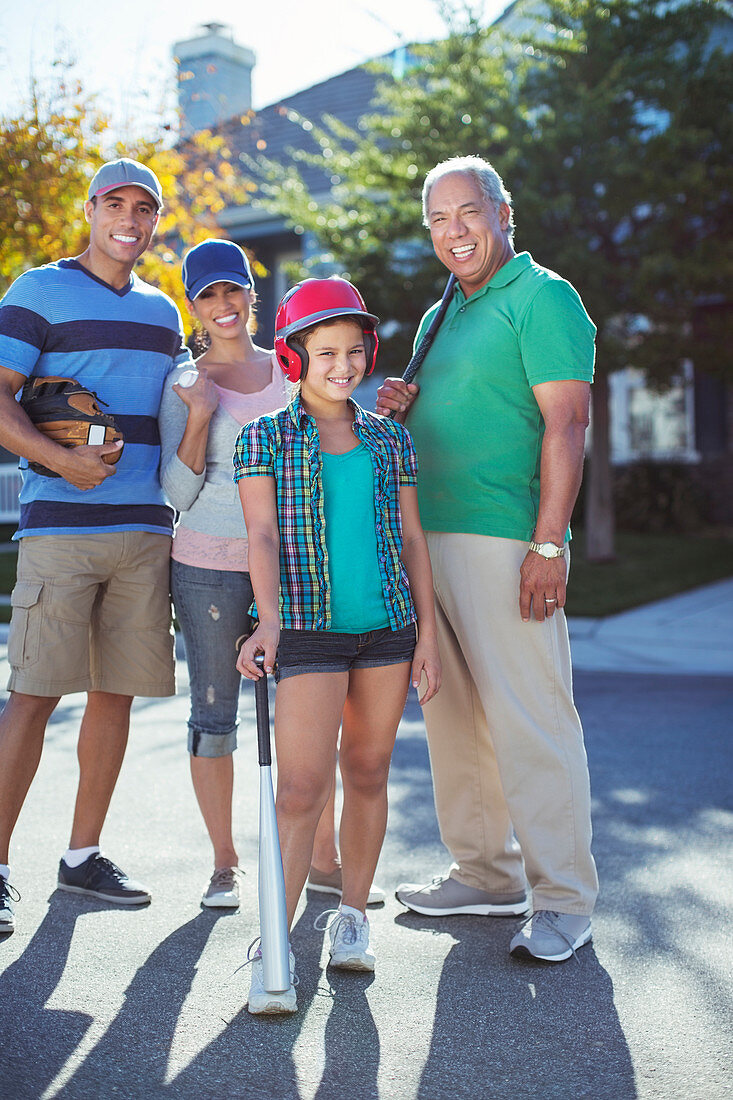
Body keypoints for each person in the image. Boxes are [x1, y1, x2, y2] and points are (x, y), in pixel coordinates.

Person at [377, 155, 599, 964]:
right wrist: (402, 403)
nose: (453, 231)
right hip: (428, 539)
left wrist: (547, 543)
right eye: (437, 219)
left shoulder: (543, 297)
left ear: (503, 210)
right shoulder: (443, 315)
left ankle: (565, 899)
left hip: (505, 537)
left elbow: (565, 426)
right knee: (454, 718)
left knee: (530, 719)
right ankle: (485, 873)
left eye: (466, 211)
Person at [234, 277, 441, 1013]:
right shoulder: (262, 438)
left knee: (368, 769)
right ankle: (278, 933)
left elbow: (412, 540)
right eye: (325, 352)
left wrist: (428, 636)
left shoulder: (390, 437)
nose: (343, 366)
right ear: (295, 358)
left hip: (386, 628)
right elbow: (259, 535)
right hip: (309, 630)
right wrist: (267, 621)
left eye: (354, 352)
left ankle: (352, 917)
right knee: (298, 789)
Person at [0, 157, 191, 934]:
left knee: (113, 694)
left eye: (144, 208)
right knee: (34, 696)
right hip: (60, 530)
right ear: (89, 208)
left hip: (145, 531)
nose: (130, 219)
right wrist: (61, 460)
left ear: (153, 222)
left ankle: (82, 857)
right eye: (115, 203)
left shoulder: (164, 312)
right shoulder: (36, 291)